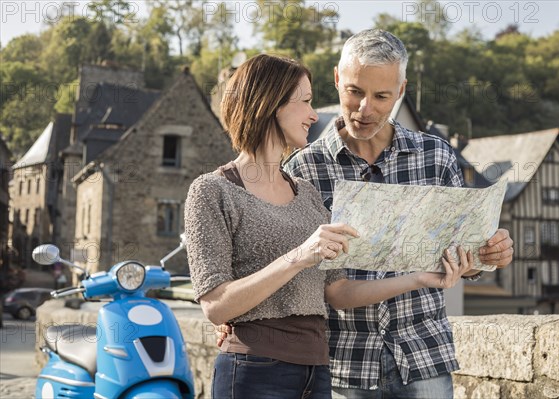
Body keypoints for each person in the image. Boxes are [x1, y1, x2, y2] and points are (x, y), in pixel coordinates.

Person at [184, 54, 476, 399]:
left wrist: (420, 278)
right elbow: (216, 306)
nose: (313, 114)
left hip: (318, 371)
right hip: (254, 370)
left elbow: (337, 292)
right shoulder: (211, 190)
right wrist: (300, 255)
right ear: (269, 103)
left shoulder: (306, 193)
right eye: (305, 102)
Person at [282, 29, 515, 398]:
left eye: (381, 96)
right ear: (337, 78)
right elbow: (299, 278)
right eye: (355, 91)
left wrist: (486, 255)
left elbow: (462, 259)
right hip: (344, 363)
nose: (365, 109)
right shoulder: (302, 170)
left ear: (402, 89)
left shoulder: (435, 157)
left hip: (424, 355)